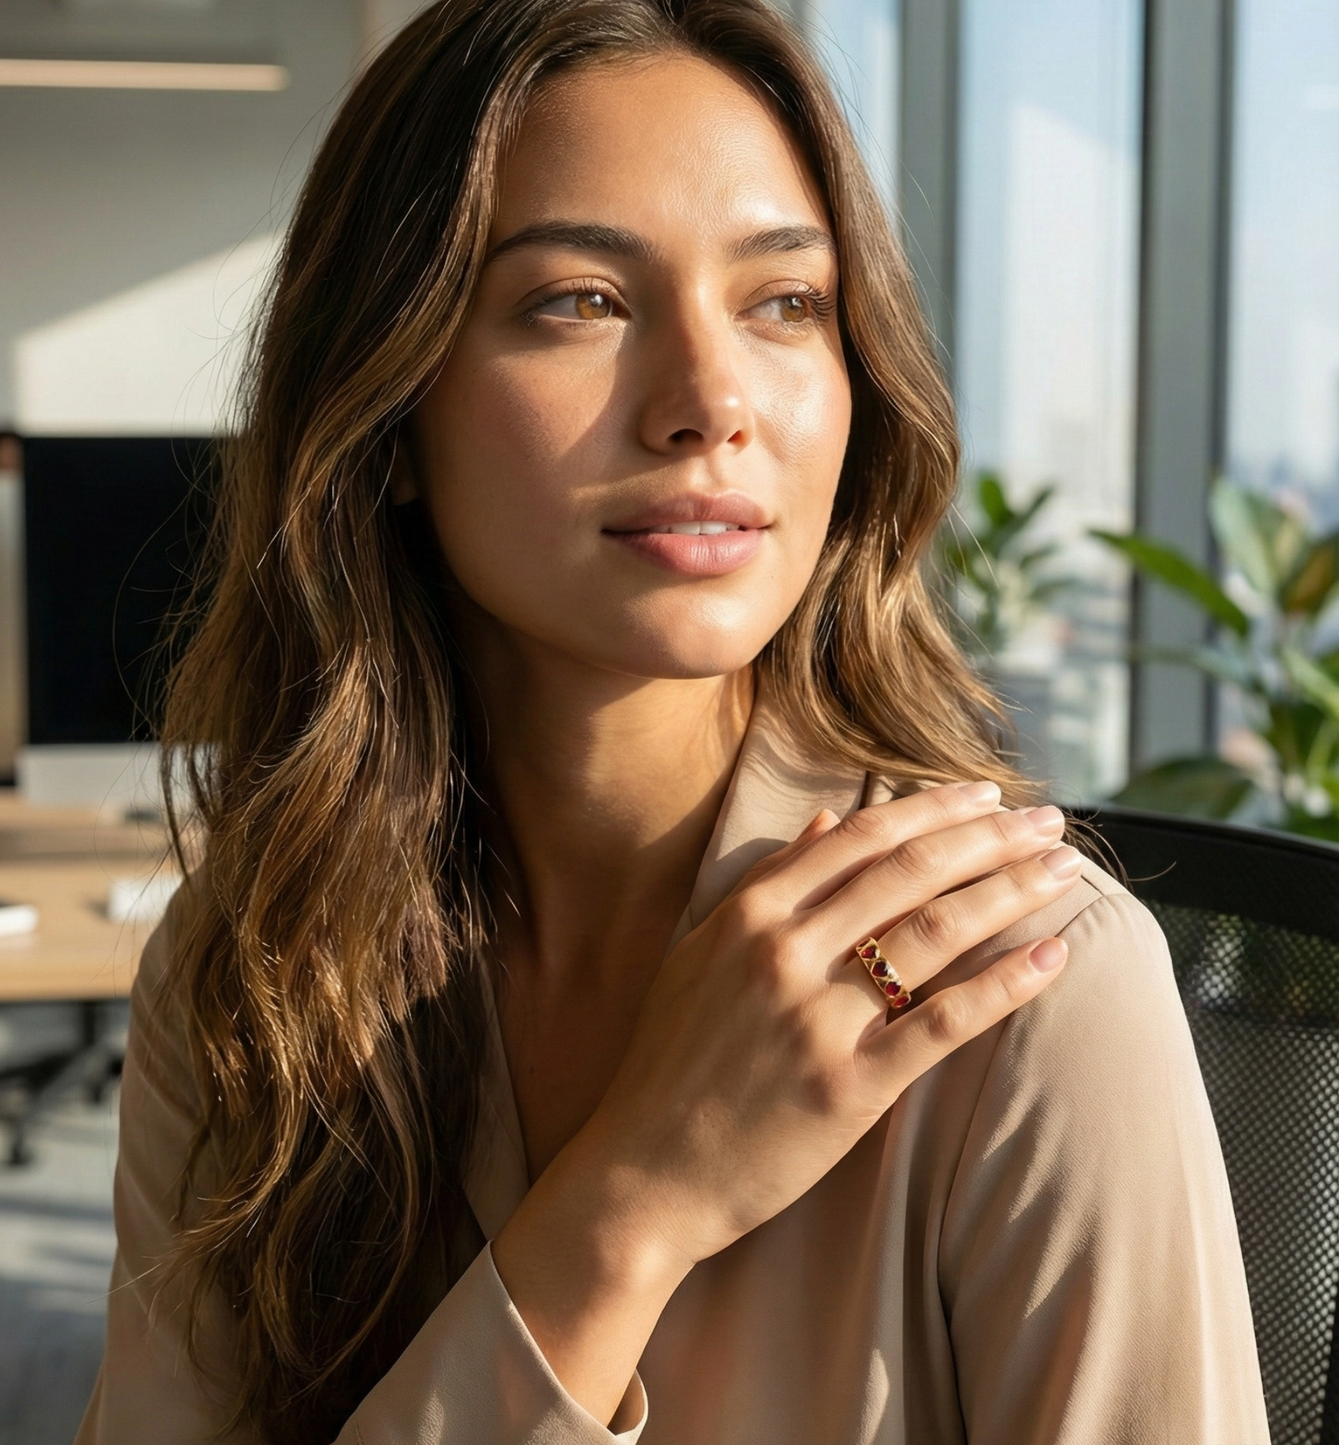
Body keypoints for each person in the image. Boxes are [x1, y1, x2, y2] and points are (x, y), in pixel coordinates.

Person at [75, 1, 1268, 1441]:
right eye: (580, 301)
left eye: (786, 303)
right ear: (385, 417)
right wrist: (636, 1203)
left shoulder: (1024, 989)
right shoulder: (256, 972)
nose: (711, 403)